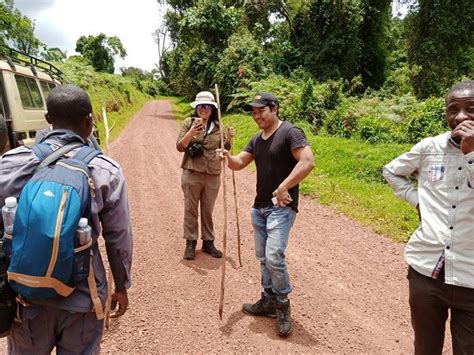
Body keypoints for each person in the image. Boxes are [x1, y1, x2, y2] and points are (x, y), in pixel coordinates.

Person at [0, 84, 133, 354]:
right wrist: (121, 285)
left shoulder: (11, 163)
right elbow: (118, 236)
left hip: (24, 297)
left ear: (48, 120)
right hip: (82, 296)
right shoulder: (106, 170)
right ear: (89, 121)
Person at [383, 80, 474, 354]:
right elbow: (391, 171)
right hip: (426, 271)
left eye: (471, 109)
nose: (460, 116)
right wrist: (417, 200)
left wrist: (471, 153)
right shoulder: (429, 148)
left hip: (471, 278)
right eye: (452, 109)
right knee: (425, 348)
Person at [217, 92, 314, 337]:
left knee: (273, 256)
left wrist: (284, 186)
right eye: (253, 112)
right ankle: (268, 298)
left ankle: (282, 303)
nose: (256, 115)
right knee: (263, 257)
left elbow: (307, 161)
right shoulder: (256, 140)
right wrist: (227, 156)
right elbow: (239, 163)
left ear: (275, 108)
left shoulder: (291, 133)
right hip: (259, 207)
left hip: (281, 207)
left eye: (261, 110)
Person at [176, 91, 234, 260]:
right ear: (196, 108)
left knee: (207, 210)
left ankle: (208, 242)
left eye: (207, 106)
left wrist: (230, 139)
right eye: (200, 106)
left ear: (212, 108)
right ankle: (191, 242)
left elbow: (226, 147)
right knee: (190, 208)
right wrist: (190, 134)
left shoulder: (218, 125)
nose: (203, 109)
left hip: (212, 173)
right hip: (191, 171)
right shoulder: (189, 123)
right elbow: (180, 147)